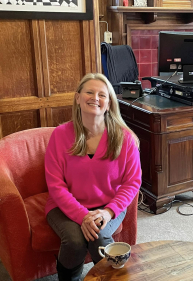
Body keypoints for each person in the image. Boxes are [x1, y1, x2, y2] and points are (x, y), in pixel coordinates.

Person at [44, 73, 141, 281]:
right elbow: (55, 185)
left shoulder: (125, 138)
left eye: (102, 95)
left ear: (109, 104)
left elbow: (132, 182)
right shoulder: (60, 135)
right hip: (64, 206)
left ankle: (110, 277)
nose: (95, 98)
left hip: (108, 205)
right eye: (89, 92)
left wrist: (108, 212)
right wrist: (82, 216)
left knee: (100, 237)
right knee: (74, 240)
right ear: (78, 98)